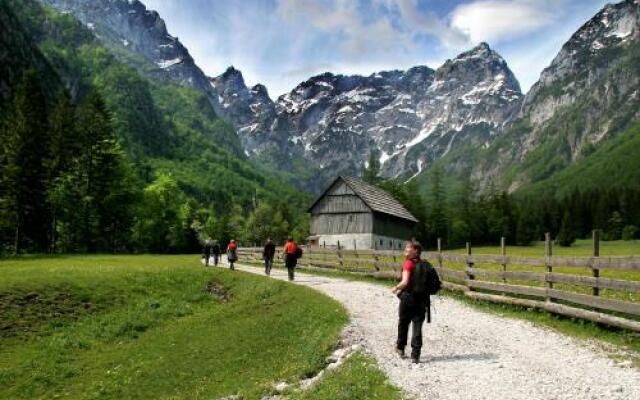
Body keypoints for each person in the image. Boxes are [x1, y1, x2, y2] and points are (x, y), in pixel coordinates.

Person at [391, 239, 428, 364]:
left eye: (408, 248)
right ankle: (415, 355)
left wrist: (396, 288)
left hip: (408, 298)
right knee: (417, 325)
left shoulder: (408, 264)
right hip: (422, 299)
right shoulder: (424, 264)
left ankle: (400, 348)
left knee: (403, 323)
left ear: (415, 251)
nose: (405, 250)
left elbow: (405, 282)